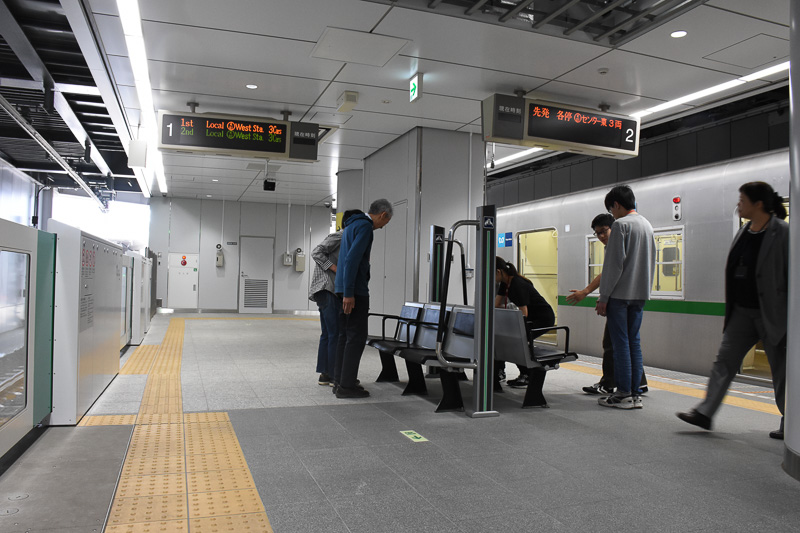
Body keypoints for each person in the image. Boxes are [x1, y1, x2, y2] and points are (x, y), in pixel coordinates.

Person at [677, 182, 788, 439]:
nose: (738, 204)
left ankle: (792, 422)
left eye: (742, 200)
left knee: (781, 370)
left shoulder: (781, 232)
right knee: (724, 362)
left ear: (758, 204)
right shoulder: (745, 231)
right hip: (742, 313)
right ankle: (705, 413)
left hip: (770, 313)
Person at [567, 213, 648, 395]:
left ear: (614, 227)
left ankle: (612, 385)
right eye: (598, 234)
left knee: (614, 343)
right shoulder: (637, 233)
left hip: (620, 301)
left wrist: (596, 294)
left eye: (604, 231)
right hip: (633, 298)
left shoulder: (618, 241)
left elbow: (609, 273)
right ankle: (638, 383)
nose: (601, 236)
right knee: (629, 342)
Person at [595, 185, 655, 409]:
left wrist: (604, 297)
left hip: (620, 296)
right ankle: (635, 393)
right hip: (639, 295)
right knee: (634, 344)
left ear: (616, 205)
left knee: (620, 345)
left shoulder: (621, 225)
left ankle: (622, 394)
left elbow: (613, 266)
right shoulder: (646, 225)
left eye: (612, 210)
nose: (613, 215)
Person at [332, 199, 393, 398]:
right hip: (354, 291)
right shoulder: (365, 227)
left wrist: (344, 290)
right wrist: (350, 292)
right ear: (383, 215)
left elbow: (346, 258)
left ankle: (340, 380)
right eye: (386, 223)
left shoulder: (352, 225)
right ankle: (346, 386)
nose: (383, 227)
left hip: (342, 287)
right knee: (356, 338)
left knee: (344, 336)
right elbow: (352, 259)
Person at [308, 209, 361, 387]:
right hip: (327, 288)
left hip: (325, 290)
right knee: (336, 334)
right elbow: (316, 252)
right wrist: (335, 268)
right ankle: (333, 375)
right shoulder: (340, 235)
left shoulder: (346, 237)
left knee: (328, 334)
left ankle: (325, 373)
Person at [494, 257, 555, 390]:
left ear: (498, 271)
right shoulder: (505, 283)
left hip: (543, 318)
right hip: (532, 317)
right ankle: (502, 372)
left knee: (517, 342)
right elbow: (496, 304)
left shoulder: (517, 284)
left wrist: (515, 330)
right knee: (504, 339)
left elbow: (524, 313)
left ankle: (527, 375)